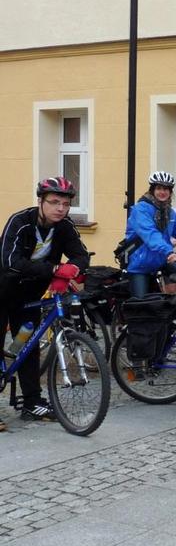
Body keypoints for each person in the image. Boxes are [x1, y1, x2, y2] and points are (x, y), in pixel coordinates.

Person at [0, 177, 90, 424]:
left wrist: (72, 269)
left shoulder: (65, 226)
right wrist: (52, 270)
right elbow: (10, 262)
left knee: (27, 347)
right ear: (41, 201)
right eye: (54, 202)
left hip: (28, 297)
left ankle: (32, 403)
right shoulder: (20, 222)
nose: (60, 208)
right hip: (2, 290)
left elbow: (81, 255)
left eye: (65, 203)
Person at [124, 171, 176, 299]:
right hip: (140, 264)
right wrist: (168, 251)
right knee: (142, 307)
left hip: (160, 260)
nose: (162, 192)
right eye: (159, 188)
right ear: (152, 190)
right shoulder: (140, 210)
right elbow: (150, 234)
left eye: (166, 189)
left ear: (170, 192)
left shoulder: (169, 212)